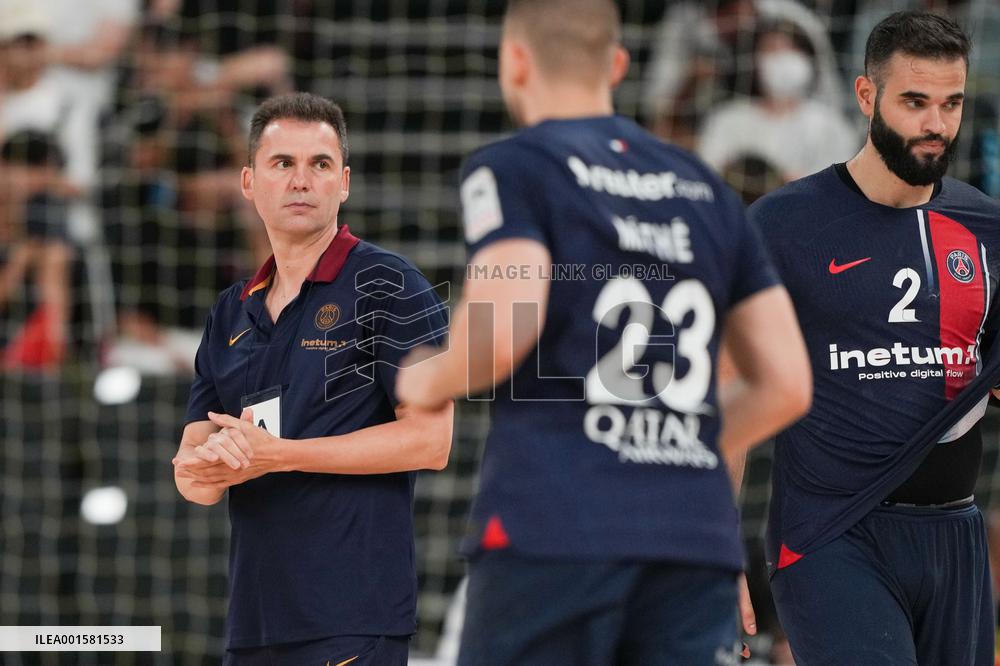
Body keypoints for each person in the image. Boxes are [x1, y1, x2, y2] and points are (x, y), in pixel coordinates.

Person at [395, 1, 812, 664]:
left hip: (558, 525)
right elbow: (787, 384)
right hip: (690, 535)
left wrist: (425, 375)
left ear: (516, 62)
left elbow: (506, 325)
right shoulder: (704, 185)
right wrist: (677, 441)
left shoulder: (517, 164)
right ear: (617, 65)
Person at [749, 11, 1000, 664]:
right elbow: (715, 390)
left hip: (955, 535)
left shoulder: (984, 226)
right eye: (915, 101)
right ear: (867, 96)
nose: (936, 124)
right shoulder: (785, 224)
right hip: (832, 533)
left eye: (950, 103)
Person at [172, 92, 454, 666]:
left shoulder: (392, 285)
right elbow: (195, 478)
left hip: (352, 622)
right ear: (249, 182)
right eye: (283, 164)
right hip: (253, 625)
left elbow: (432, 441)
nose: (302, 180)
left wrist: (280, 454)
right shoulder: (230, 310)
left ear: (343, 183)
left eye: (319, 165)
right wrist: (199, 467)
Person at [697, 20, 859, 182]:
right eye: (772, 49)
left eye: (792, 49)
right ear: (754, 60)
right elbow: (709, 172)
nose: (783, 58)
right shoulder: (727, 119)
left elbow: (839, 184)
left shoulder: (830, 125)